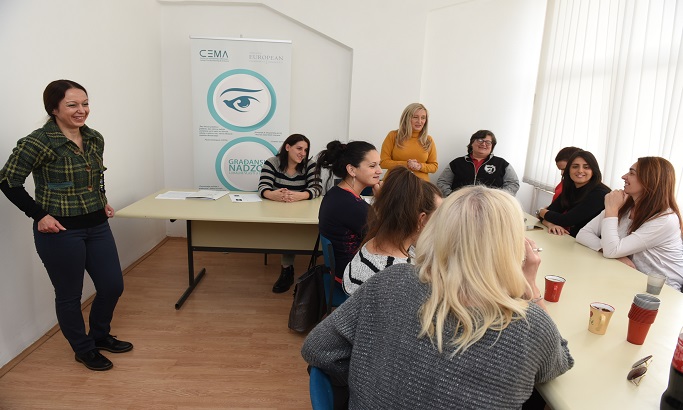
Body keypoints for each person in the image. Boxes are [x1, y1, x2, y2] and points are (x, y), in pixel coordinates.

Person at [301, 186, 574, 409]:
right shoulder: (528, 325)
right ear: (512, 246)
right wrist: (531, 289)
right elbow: (559, 363)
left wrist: (372, 377)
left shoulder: (389, 280)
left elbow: (317, 348)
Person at [0, 80, 131, 371]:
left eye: (85, 103)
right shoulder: (37, 142)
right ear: (54, 109)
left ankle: (99, 335)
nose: (81, 110)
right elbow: (8, 180)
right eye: (72, 105)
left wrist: (102, 200)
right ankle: (83, 349)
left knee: (112, 285)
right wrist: (38, 215)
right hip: (60, 232)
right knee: (70, 295)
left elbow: (95, 175)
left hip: (97, 224)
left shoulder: (94, 137)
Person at [576, 157, 683, 290]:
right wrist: (617, 255)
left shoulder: (665, 219)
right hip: (626, 276)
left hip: (660, 290)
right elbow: (583, 234)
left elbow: (612, 251)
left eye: (632, 173)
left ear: (649, 180)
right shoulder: (625, 205)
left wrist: (611, 210)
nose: (624, 176)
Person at [343, 166, 442, 295]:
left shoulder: (377, 241)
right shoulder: (396, 277)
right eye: (438, 217)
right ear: (421, 219)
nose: (440, 224)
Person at [258, 134, 322, 293]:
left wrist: (300, 195)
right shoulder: (272, 162)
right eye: (299, 148)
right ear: (287, 147)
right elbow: (263, 187)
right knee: (284, 230)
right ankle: (287, 268)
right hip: (276, 211)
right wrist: (272, 194)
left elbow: (317, 188)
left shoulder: (310, 165)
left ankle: (289, 268)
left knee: (292, 231)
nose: (303, 153)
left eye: (306, 150)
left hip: (301, 211)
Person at [316, 140, 382, 278]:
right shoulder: (352, 205)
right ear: (352, 170)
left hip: (341, 271)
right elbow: (388, 238)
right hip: (352, 278)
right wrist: (383, 201)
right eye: (372, 166)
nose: (380, 171)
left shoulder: (337, 193)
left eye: (379, 164)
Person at [536, 150, 610, 237]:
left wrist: (541, 211)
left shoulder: (600, 193)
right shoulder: (571, 188)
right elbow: (548, 214)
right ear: (568, 170)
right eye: (575, 167)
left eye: (586, 167)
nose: (580, 171)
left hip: (596, 244)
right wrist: (550, 224)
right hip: (576, 239)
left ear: (593, 171)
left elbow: (566, 220)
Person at [436, 130, 519, 197]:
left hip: (491, 207)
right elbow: (442, 182)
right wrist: (452, 197)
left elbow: (513, 183)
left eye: (488, 142)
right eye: (480, 140)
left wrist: (499, 198)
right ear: (472, 143)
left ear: (492, 146)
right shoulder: (457, 163)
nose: (483, 144)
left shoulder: (502, 164)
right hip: (460, 207)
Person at [379, 103, 438, 181]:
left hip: (420, 184)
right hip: (395, 182)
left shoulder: (428, 140)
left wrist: (420, 166)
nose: (419, 121)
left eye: (423, 118)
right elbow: (383, 163)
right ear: (406, 118)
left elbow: (434, 166)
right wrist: (406, 164)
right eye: (415, 117)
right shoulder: (393, 135)